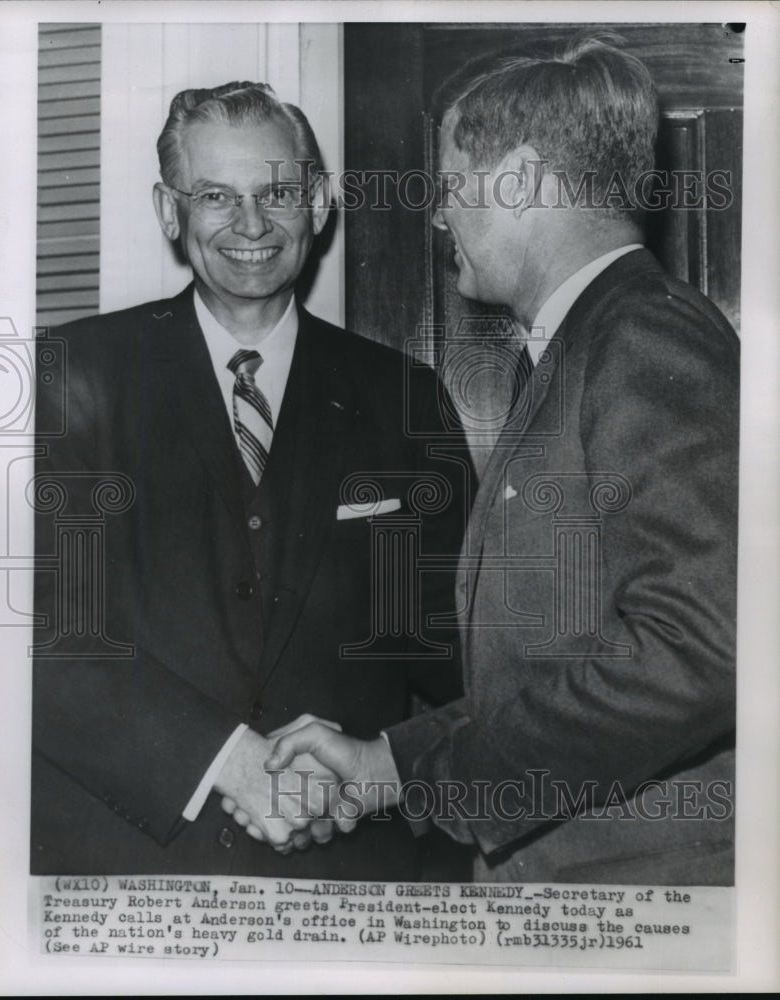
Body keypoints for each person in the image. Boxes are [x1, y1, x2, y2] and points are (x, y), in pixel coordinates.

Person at [270, 36, 739, 885]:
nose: (442, 217)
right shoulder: (588, 342)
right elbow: (556, 656)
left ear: (519, 181)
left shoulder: (641, 336)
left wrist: (440, 779)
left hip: (632, 894)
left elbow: (701, 647)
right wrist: (392, 762)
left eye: (452, 187)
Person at [31, 81, 473, 880]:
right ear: (170, 212)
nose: (250, 225)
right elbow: (43, 637)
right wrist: (229, 762)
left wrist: (383, 785)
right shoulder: (71, 377)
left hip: (349, 874)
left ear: (320, 204)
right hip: (126, 876)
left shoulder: (405, 400)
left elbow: (456, 663)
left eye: (276, 193)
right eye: (215, 196)